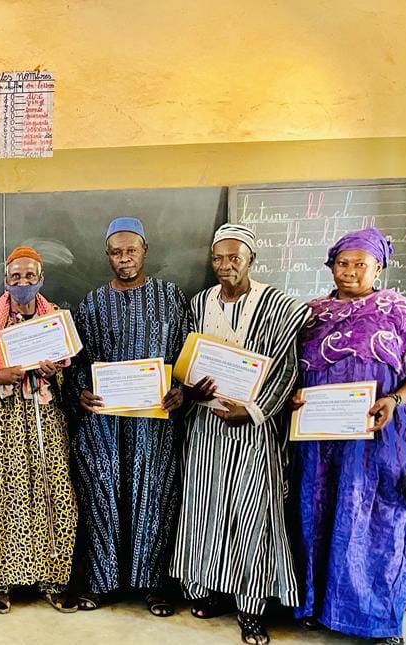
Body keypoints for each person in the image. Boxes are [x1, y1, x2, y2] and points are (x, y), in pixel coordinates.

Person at [291, 228, 406, 645]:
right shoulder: (308, 315)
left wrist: (393, 400)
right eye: (343, 263)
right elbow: (287, 373)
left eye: (361, 264)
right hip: (319, 445)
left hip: (379, 442)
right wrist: (292, 397)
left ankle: (377, 620)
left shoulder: (402, 312)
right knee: (316, 517)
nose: (351, 272)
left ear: (379, 266)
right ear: (331, 265)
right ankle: (316, 606)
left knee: (377, 522)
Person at [169, 223, 310, 645]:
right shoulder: (199, 302)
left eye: (235, 258)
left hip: (252, 427)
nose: (225, 266)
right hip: (206, 425)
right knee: (204, 511)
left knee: (251, 517)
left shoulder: (278, 306)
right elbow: (186, 358)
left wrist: (250, 411)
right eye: (218, 258)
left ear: (251, 259)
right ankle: (212, 590)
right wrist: (190, 390)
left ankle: (251, 609)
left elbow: (287, 368)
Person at [67, 217, 189, 614]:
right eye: (116, 252)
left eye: (131, 250)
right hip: (104, 423)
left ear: (144, 251)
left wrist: (180, 390)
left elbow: (187, 355)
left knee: (153, 497)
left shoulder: (171, 297)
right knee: (102, 495)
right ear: (107, 255)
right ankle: (102, 584)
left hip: (153, 424)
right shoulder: (92, 303)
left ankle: (152, 586)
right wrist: (80, 391)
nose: (124, 259)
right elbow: (76, 361)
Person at [0, 245, 78, 614]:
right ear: (6, 280)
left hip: (46, 424)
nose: (23, 282)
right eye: (16, 276)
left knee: (55, 498)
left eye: (30, 276)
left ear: (41, 279)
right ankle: (1, 584)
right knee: (1, 500)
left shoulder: (55, 317)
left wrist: (54, 372)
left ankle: (54, 580)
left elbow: (73, 372)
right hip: (1, 424)